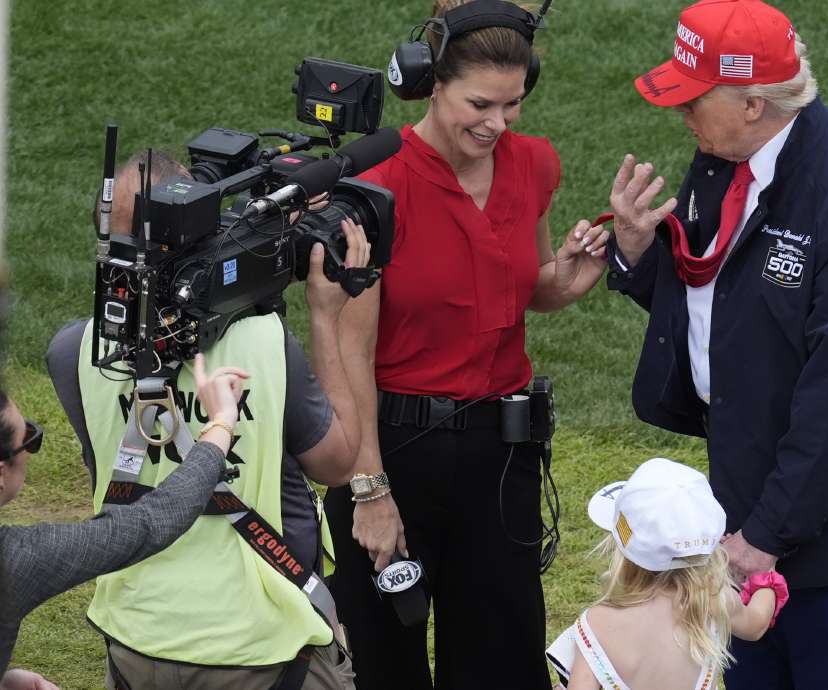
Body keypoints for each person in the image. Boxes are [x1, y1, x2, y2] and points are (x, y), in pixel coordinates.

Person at [603, 1, 828, 688]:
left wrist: (765, 537)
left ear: (754, 104)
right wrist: (636, 255)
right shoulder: (722, 160)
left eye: (693, 97)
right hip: (747, 509)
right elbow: (717, 308)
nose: (681, 113)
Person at [323, 1, 609, 687]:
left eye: (513, 105)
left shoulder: (534, 164)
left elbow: (527, 286)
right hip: (392, 449)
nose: (497, 123)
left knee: (500, 663)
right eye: (480, 103)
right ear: (431, 86)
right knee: (383, 663)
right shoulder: (377, 185)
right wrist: (369, 490)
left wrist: (567, 279)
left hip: (500, 458)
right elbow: (345, 351)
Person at [45, 151, 369, 689]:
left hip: (136, 637)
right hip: (256, 646)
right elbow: (337, 463)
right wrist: (327, 316)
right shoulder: (265, 343)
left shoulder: (71, 352)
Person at [0, 357, 246, 688]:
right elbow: (153, 521)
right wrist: (222, 421)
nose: (31, 448)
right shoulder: (12, 563)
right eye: (30, 438)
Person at [545, 458, 788, 690]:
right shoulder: (714, 602)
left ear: (621, 549)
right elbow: (756, 624)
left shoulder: (598, 622)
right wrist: (765, 577)